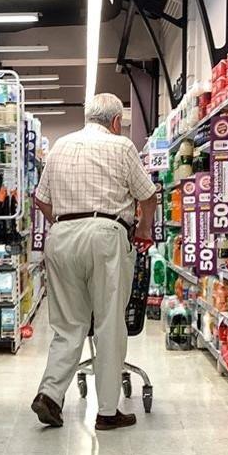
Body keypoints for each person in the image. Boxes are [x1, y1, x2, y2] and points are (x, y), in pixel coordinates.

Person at [29, 93, 157, 431]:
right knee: (109, 323)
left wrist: (62, 222)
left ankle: (50, 394)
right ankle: (107, 412)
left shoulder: (59, 146)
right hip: (105, 234)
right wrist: (143, 229)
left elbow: (40, 200)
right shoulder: (121, 146)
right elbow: (147, 194)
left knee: (67, 324)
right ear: (116, 122)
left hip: (62, 236)